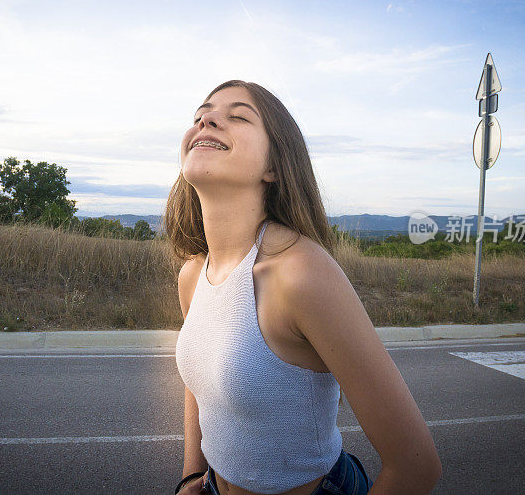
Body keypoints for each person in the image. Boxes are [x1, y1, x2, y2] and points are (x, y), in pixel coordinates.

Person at [165, 80, 442, 495]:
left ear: (273, 167)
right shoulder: (192, 275)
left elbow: (415, 466)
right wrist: (192, 475)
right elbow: (200, 379)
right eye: (200, 115)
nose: (207, 119)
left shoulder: (301, 274)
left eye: (238, 116)